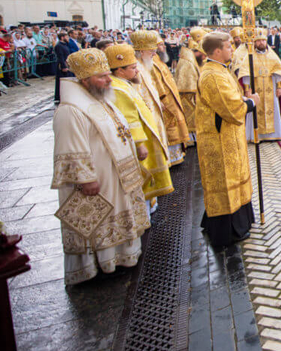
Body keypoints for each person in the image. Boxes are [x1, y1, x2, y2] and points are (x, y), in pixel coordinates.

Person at [52, 48, 149, 285]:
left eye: (108, 74)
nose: (108, 80)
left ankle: (121, 258)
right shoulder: (70, 110)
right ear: (84, 80)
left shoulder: (102, 98)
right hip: (98, 179)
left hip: (117, 176)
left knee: (118, 213)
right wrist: (86, 179)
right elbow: (70, 148)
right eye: (102, 76)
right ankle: (103, 264)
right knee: (101, 220)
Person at [196, 32, 260, 247]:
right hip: (220, 141)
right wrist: (251, 103)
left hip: (229, 136)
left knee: (234, 176)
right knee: (224, 180)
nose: (232, 49)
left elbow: (230, 96)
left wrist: (243, 98)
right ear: (217, 51)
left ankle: (239, 222)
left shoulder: (219, 70)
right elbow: (229, 107)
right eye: (228, 47)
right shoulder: (212, 75)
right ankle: (228, 230)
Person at [107, 44, 173, 208]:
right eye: (133, 67)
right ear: (120, 70)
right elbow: (129, 120)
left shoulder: (123, 84)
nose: (137, 71)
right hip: (139, 144)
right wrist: (139, 144)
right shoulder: (118, 89)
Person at [237, 29, 281, 142]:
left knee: (273, 109)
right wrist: (247, 90)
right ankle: (256, 136)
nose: (261, 43)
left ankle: (274, 134)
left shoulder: (272, 56)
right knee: (256, 109)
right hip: (255, 89)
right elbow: (245, 73)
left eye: (263, 40)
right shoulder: (249, 56)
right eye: (258, 41)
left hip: (270, 88)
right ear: (255, 43)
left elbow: (278, 72)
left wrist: (280, 87)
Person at [146, 36, 190, 166]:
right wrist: (160, 99)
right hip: (164, 100)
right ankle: (170, 157)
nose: (163, 46)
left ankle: (176, 155)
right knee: (170, 128)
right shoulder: (151, 63)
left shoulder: (159, 60)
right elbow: (155, 83)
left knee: (175, 125)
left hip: (170, 98)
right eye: (159, 45)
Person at [174, 39, 205, 147]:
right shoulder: (188, 62)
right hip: (188, 96)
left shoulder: (190, 59)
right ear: (198, 52)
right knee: (190, 118)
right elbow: (188, 83)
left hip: (190, 95)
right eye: (203, 55)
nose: (204, 58)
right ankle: (190, 138)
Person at [54, 31, 73, 103]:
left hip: (67, 63)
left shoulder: (65, 45)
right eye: (66, 37)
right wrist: (63, 66)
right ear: (62, 37)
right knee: (61, 81)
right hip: (62, 65)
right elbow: (60, 56)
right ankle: (59, 96)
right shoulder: (59, 46)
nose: (68, 38)